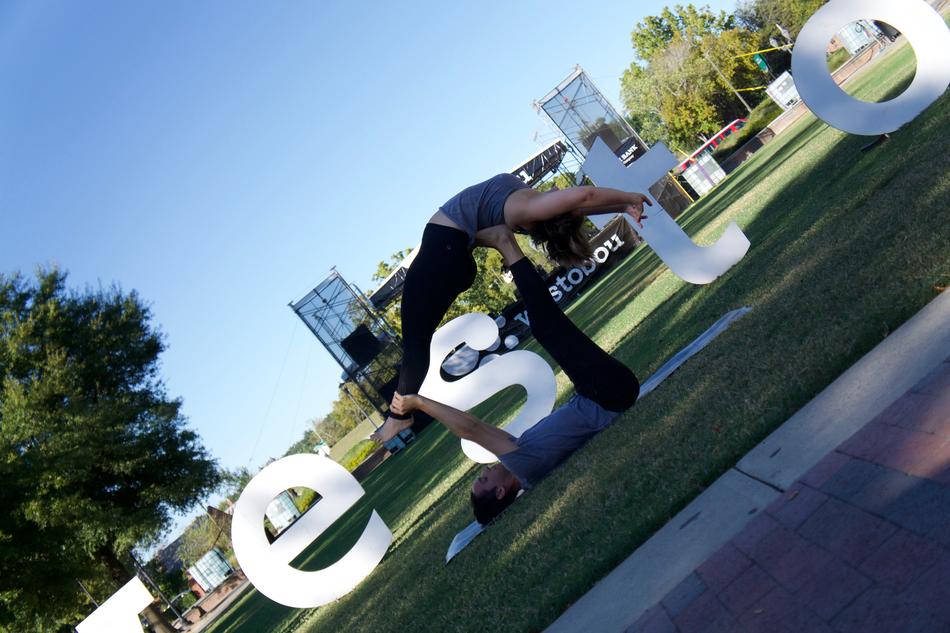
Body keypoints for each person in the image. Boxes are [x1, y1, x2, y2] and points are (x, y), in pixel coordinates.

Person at [371, 173, 651, 444]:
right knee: (416, 340)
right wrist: (621, 205)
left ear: (554, 212)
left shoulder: (528, 208)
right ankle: (400, 413)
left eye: (561, 201)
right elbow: (581, 203)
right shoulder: (531, 206)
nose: (558, 190)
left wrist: (628, 200)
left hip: (445, 250)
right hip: (452, 251)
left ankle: (399, 416)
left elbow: (586, 195)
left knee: (414, 342)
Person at [390, 226, 641, 524]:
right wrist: (419, 402)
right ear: (500, 493)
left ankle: (506, 246)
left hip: (601, 392)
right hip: (608, 394)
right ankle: (505, 243)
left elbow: (480, 430)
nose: (483, 472)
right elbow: (470, 428)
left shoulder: (521, 455)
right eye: (484, 480)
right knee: (547, 327)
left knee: (545, 326)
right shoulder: (524, 466)